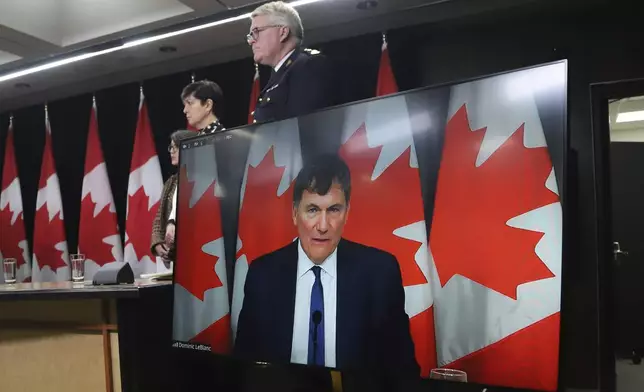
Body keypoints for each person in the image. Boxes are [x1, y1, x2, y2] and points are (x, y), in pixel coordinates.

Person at [234, 154, 419, 376]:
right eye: (312, 210)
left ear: (347, 213)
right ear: (295, 213)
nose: (322, 226)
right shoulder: (262, 274)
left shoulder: (380, 272)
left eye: (333, 210)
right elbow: (244, 369)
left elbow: (403, 372)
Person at [247, 1, 334, 123]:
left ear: (283, 32)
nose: (251, 41)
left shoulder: (307, 66)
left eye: (256, 31)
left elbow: (305, 129)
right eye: (250, 35)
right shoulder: (280, 74)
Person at [151, 130, 195, 267]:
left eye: (176, 147)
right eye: (171, 147)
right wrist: (157, 243)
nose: (171, 151)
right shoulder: (171, 182)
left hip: (192, 253)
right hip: (172, 257)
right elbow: (159, 216)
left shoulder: (200, 181)